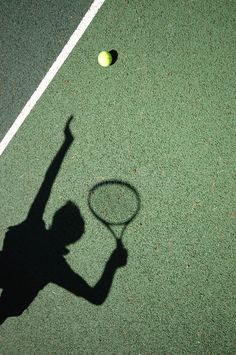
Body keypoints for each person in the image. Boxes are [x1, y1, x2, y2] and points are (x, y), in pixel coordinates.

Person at [0, 116, 127, 324]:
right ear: (73, 239)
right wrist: (112, 265)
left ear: (55, 220)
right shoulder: (55, 266)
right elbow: (96, 297)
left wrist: (66, 143)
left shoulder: (33, 226)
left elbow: (48, 181)